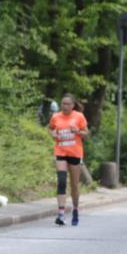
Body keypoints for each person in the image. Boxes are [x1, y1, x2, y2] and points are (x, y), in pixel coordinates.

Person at [47, 94, 88, 225]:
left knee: (74, 185)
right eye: (63, 104)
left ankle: (75, 209)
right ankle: (61, 213)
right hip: (60, 152)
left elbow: (86, 133)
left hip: (75, 153)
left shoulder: (79, 117)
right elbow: (50, 128)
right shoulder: (56, 117)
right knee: (62, 181)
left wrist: (78, 131)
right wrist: (52, 133)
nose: (64, 106)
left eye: (67, 104)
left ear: (73, 105)